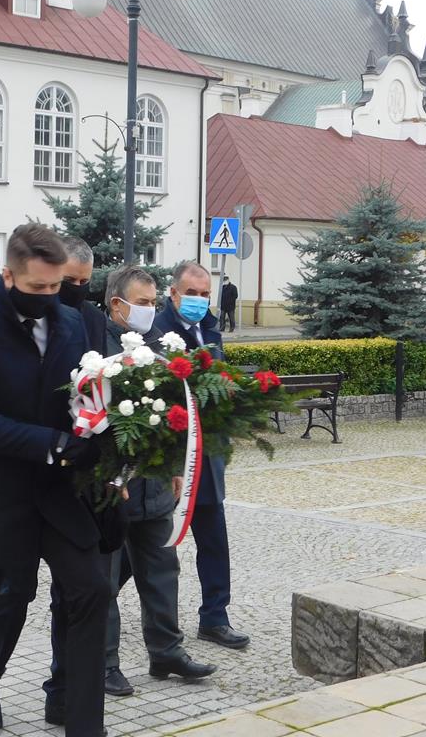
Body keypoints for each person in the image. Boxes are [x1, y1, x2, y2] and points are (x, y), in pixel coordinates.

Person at [0, 223, 111, 737]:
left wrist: (108, 440)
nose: (50, 298)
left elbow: (79, 399)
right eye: (38, 288)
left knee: (91, 593)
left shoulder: (71, 322)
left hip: (57, 496)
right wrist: (56, 446)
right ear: (7, 275)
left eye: (57, 287)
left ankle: (84, 727)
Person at [102, 265, 215, 689]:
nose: (151, 311)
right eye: (143, 304)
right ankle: (105, 663)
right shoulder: (95, 352)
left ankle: (166, 652)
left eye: (152, 303)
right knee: (105, 577)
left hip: (154, 488)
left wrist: (172, 467)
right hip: (114, 489)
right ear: (118, 304)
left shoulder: (159, 350)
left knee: (162, 570)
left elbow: (174, 418)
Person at [152, 261, 250, 650]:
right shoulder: (156, 332)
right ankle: (102, 601)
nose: (199, 301)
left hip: (208, 455)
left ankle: (215, 617)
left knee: (213, 538)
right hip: (171, 460)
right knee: (151, 544)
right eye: (191, 294)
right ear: (173, 293)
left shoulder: (209, 328)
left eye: (205, 294)